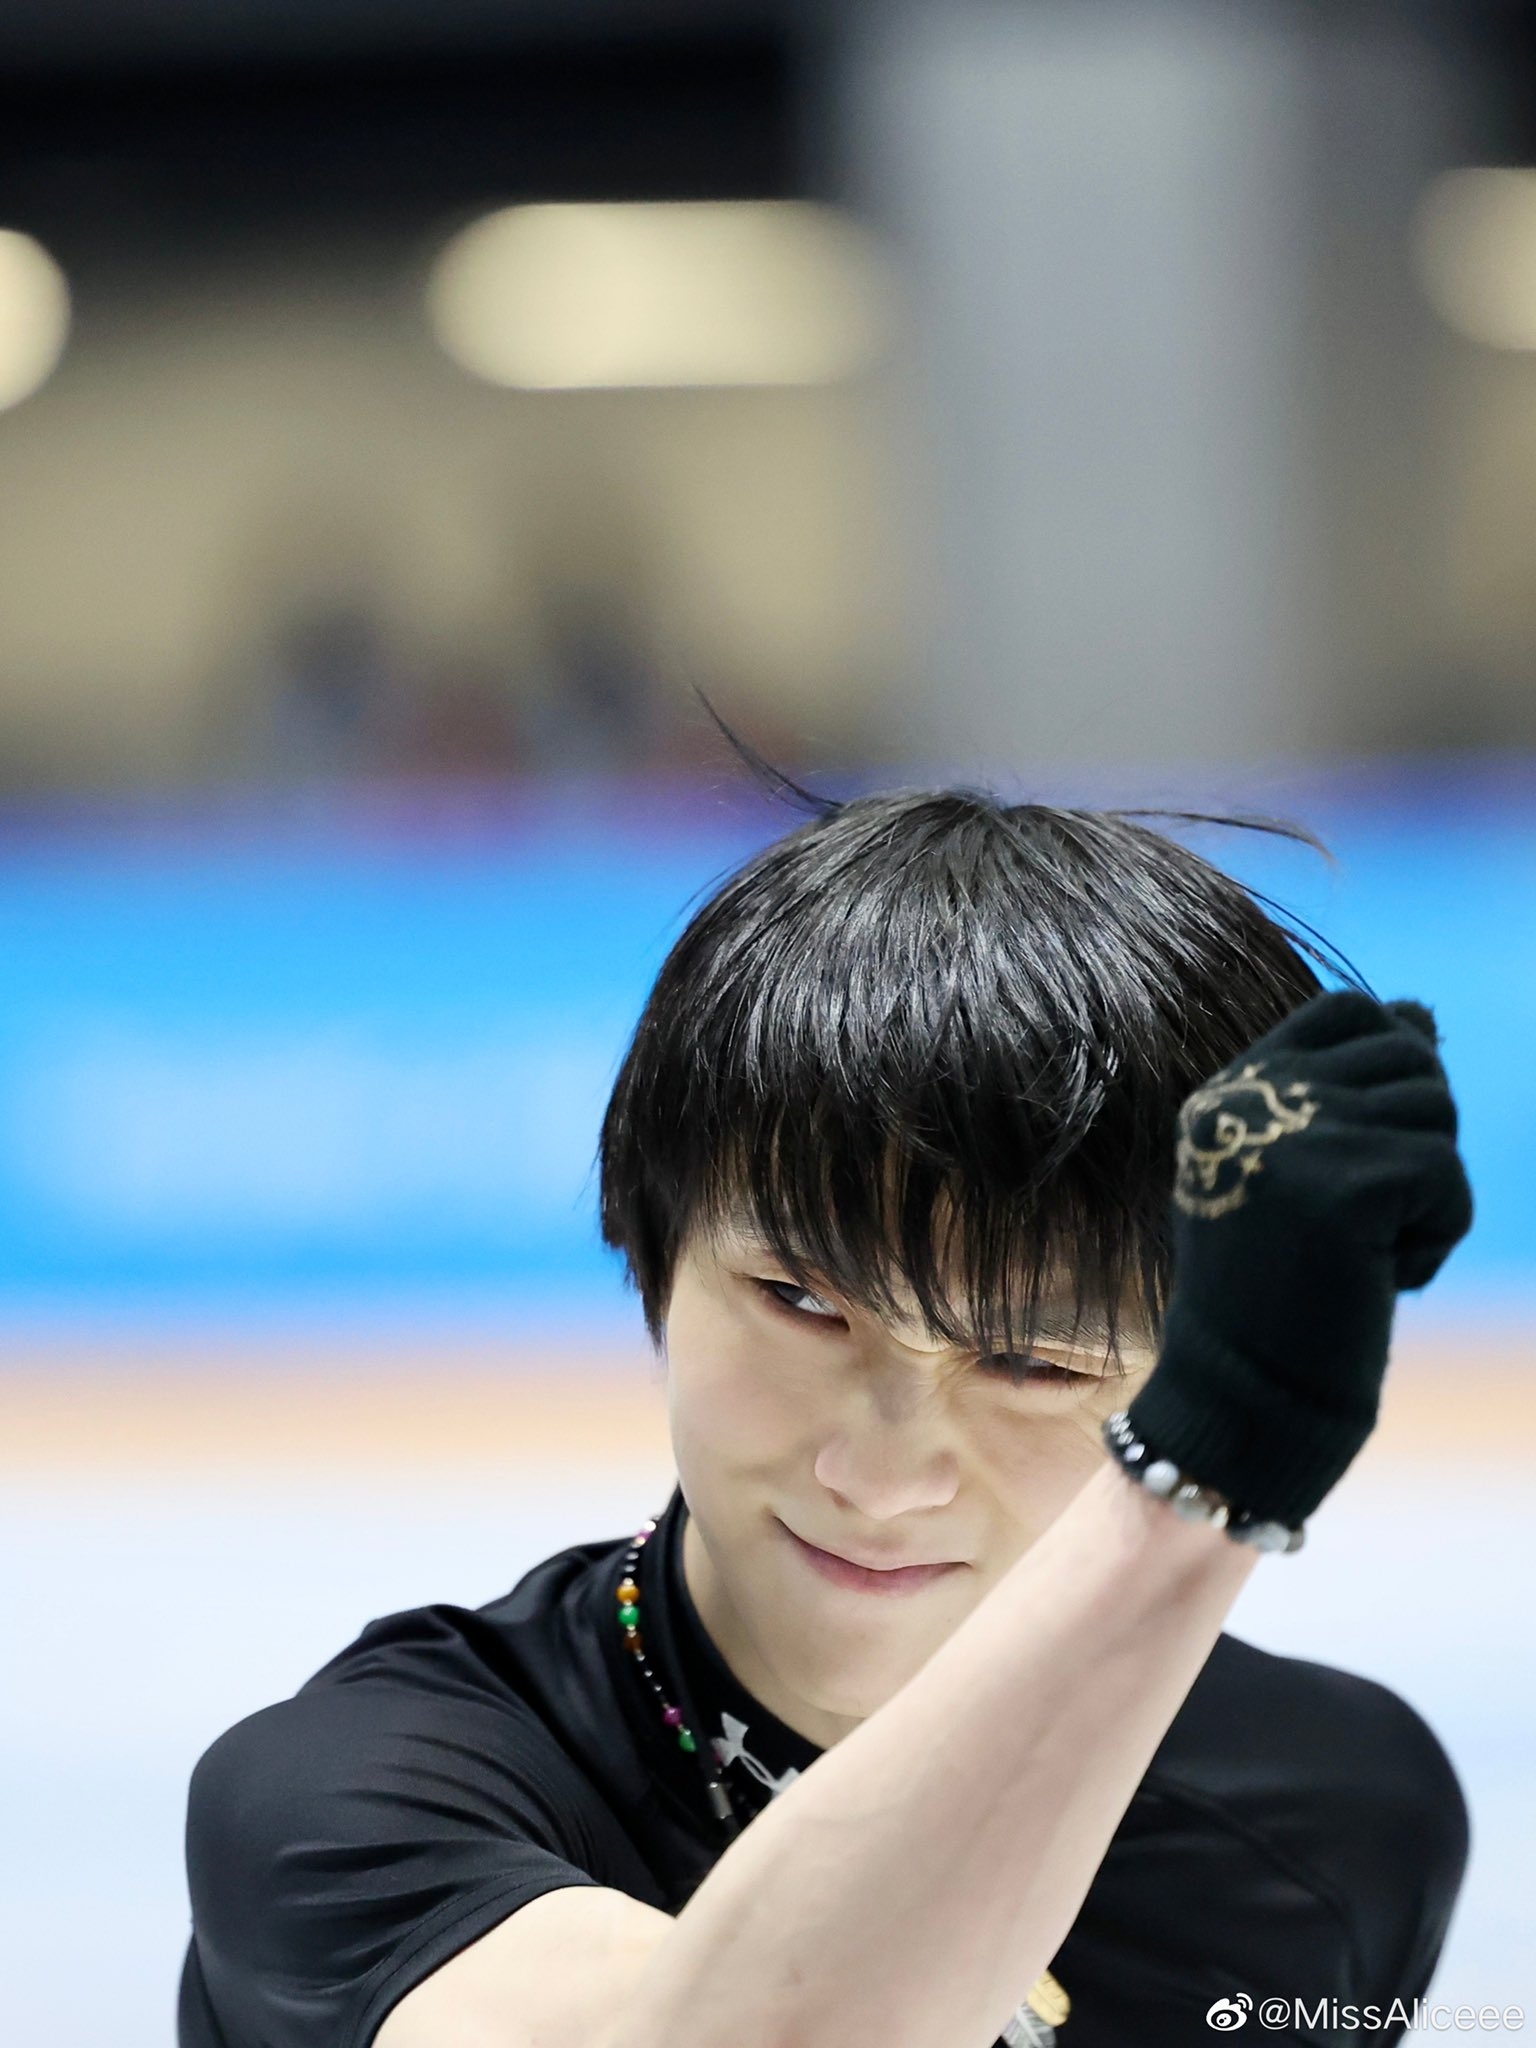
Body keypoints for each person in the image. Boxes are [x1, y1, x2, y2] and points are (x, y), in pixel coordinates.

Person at [178, 772, 1475, 2048]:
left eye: (1035, 1365)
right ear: (649, 1244)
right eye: (801, 1302)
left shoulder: (1335, 1834)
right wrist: (1204, 1485)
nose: (881, 1474)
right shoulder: (353, 1800)